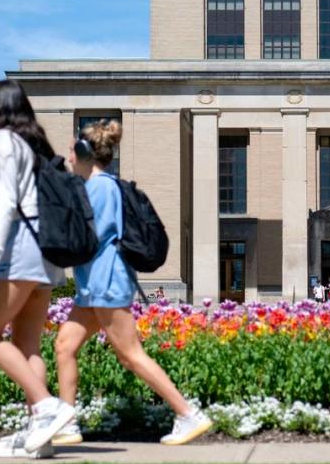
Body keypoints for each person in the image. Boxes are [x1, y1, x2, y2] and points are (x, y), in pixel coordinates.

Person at [53, 120, 212, 446]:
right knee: (65, 346)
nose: (68, 156)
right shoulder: (95, 187)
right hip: (93, 288)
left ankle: (188, 414)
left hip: (106, 283)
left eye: (71, 150)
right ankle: (66, 423)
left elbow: (85, 238)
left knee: (130, 355)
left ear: (84, 152)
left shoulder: (100, 188)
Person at [0, 80, 75, 459]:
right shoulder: (35, 147)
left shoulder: (2, 142)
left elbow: (2, 203)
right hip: (45, 252)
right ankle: (39, 436)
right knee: (27, 346)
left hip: (19, 246)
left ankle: (47, 407)